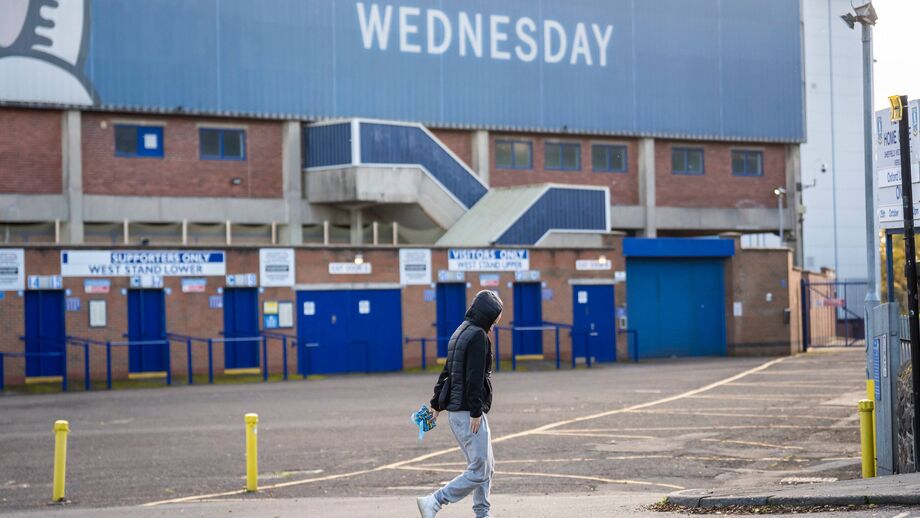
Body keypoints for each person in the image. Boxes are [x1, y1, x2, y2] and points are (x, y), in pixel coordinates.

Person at [417, 290, 502, 518]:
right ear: (487, 315)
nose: (495, 324)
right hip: (468, 412)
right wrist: (476, 411)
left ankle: (482, 513)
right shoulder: (478, 336)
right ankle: (434, 501)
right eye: (495, 318)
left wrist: (435, 405)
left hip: (458, 412)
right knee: (479, 470)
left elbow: (447, 372)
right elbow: (474, 377)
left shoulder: (460, 332)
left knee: (486, 466)